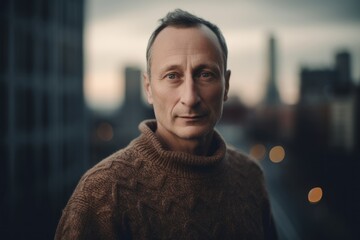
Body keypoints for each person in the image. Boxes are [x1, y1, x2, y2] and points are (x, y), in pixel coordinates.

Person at [55, 9, 277, 239]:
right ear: (149, 88)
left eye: (205, 74)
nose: (190, 97)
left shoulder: (250, 176)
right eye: (172, 76)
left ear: (226, 85)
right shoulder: (102, 193)